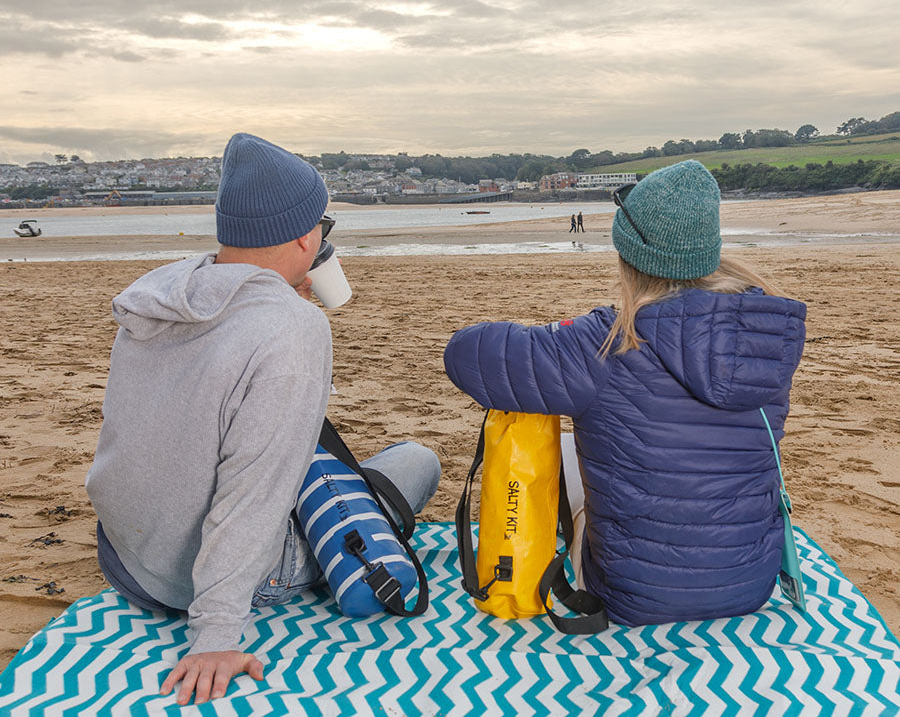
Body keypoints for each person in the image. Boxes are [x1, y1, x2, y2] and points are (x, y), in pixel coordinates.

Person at [85, 133, 440, 706]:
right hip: (186, 577)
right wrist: (217, 635)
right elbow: (254, 491)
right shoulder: (291, 329)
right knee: (416, 461)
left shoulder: (164, 292)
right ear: (306, 236)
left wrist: (278, 290)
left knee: (301, 454)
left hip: (126, 548)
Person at [444, 160, 806, 627]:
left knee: (568, 446)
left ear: (629, 255)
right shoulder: (767, 337)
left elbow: (465, 354)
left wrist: (561, 332)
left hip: (632, 598)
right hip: (748, 586)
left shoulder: (605, 342)